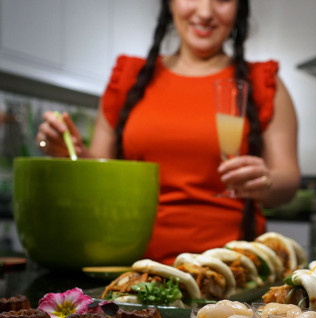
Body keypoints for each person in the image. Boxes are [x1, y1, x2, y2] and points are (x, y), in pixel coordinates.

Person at [35, 0, 300, 265]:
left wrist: (265, 181)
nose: (205, 12)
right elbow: (99, 177)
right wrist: (70, 152)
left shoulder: (262, 82)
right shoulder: (128, 77)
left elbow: (287, 181)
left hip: (234, 270)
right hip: (132, 266)